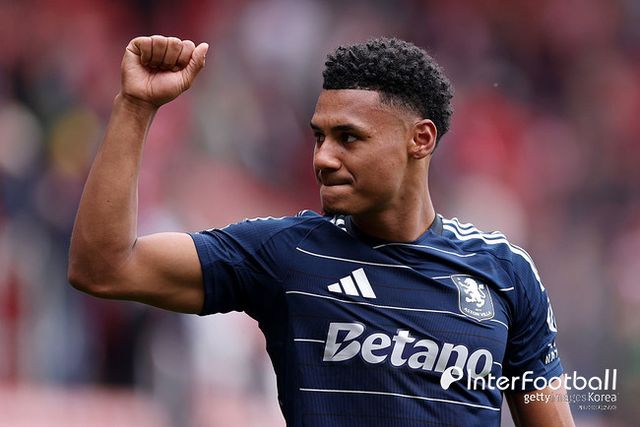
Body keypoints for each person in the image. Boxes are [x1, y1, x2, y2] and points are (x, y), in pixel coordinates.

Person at [68, 35, 575, 426]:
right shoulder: (284, 254)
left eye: (348, 138)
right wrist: (135, 107)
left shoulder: (505, 273)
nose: (323, 158)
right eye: (319, 137)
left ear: (420, 140)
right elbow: (104, 268)